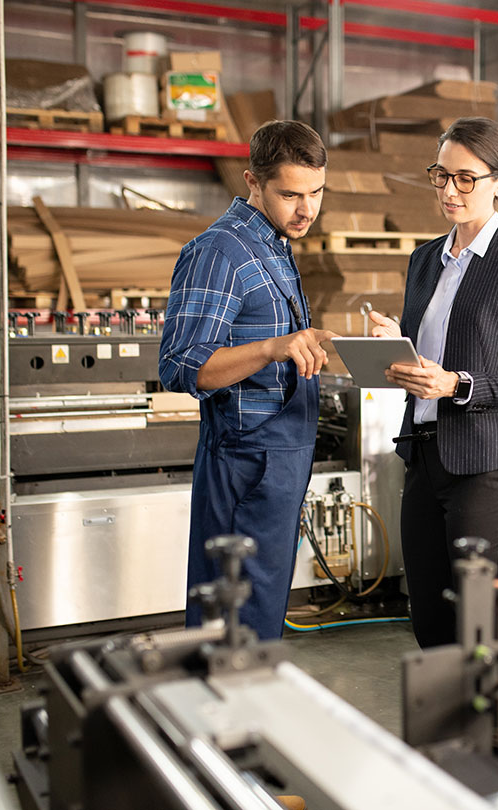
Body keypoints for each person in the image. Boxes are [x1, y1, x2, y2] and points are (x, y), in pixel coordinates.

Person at [368, 117, 498, 755]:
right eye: (440, 176)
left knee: (481, 628)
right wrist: (389, 348)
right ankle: (452, 759)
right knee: (428, 618)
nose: (449, 190)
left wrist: (459, 386)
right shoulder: (425, 260)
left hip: (487, 471)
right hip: (425, 458)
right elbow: (424, 363)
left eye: (465, 179)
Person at [159, 120, 337, 640]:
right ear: (252, 182)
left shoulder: (275, 244)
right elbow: (181, 365)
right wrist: (271, 348)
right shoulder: (220, 252)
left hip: (279, 463)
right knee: (230, 618)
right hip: (244, 464)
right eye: (290, 194)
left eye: (316, 193)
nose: (306, 210)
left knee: (259, 614)